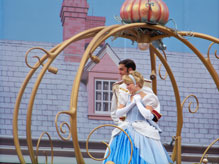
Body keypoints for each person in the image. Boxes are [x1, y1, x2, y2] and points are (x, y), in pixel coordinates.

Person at [103, 71, 173, 164]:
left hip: (141, 129)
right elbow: (118, 113)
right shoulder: (126, 96)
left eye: (128, 84)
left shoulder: (148, 97)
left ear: (137, 84)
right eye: (126, 84)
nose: (127, 87)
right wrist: (132, 104)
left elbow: (147, 115)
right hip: (126, 128)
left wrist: (139, 102)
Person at [111, 59, 153, 124]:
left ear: (130, 69)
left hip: (142, 124)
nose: (119, 72)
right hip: (124, 125)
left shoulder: (145, 85)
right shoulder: (118, 87)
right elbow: (114, 110)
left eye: (121, 69)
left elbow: (153, 108)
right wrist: (120, 124)